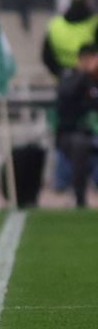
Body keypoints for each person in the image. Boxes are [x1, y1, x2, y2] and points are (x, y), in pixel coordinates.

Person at [41, 0, 98, 192]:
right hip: (81, 84)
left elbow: (46, 57)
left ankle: (63, 184)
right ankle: (68, 184)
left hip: (66, 82)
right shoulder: (93, 22)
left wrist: (61, 73)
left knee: (65, 137)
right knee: (74, 138)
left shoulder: (56, 25)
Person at [55, 44, 98, 209]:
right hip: (71, 133)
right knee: (81, 145)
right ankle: (80, 197)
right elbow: (67, 94)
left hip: (92, 132)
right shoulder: (69, 76)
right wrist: (84, 74)